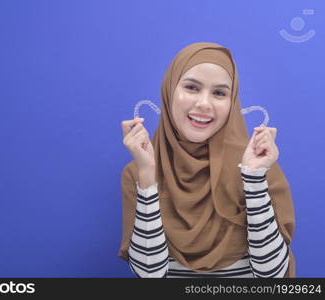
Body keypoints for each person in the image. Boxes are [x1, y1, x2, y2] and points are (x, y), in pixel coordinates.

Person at [119, 42, 296, 278]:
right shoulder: (138, 173)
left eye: (219, 93)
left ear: (232, 103)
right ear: (169, 90)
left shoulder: (260, 168)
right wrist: (148, 176)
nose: (204, 104)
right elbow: (150, 276)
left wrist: (253, 179)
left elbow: (271, 275)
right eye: (192, 87)